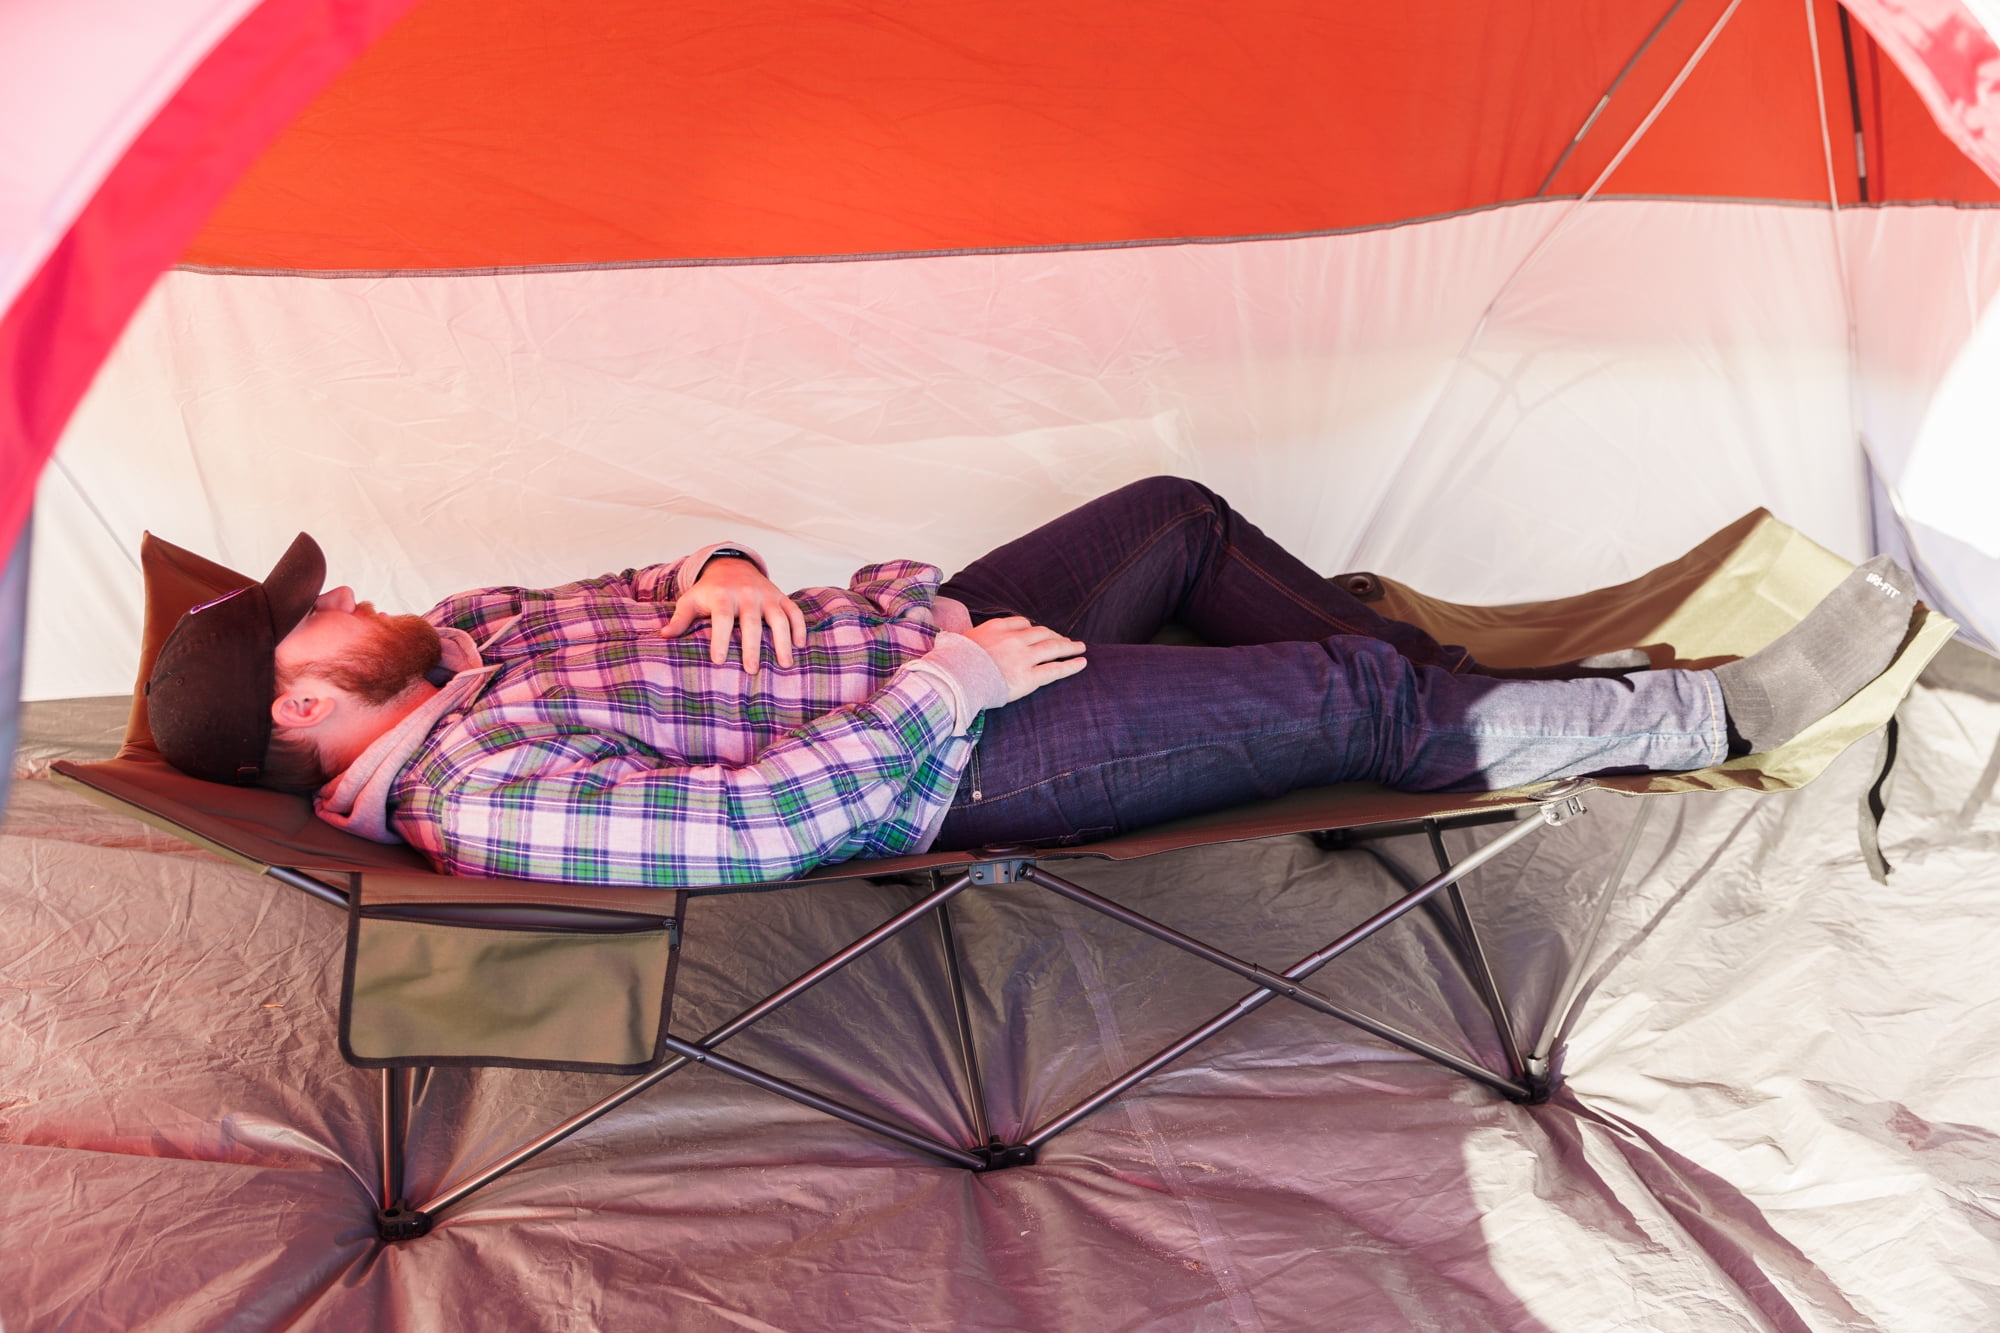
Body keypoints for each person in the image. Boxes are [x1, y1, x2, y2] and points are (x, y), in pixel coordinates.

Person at [143, 477, 1916, 886]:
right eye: (312, 615)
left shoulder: (464, 629)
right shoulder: (484, 795)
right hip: (963, 752)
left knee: (1173, 514)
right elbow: (759, 828)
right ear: (305, 713)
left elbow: (637, 580)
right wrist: (953, 687)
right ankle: (1705, 716)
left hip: (934, 626)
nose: (345, 591)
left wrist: (718, 569)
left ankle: (1469, 690)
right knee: (1346, 701)